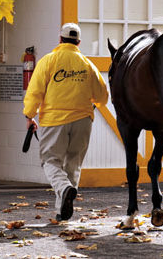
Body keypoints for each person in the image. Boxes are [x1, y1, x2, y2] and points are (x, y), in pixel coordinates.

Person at [23, 23, 109, 222]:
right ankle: (61, 210)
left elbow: (35, 91)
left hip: (54, 121)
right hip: (83, 121)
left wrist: (30, 116)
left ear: (60, 40)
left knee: (50, 161)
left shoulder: (49, 61)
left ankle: (64, 189)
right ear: (78, 42)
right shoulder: (88, 64)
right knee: (73, 163)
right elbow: (103, 96)